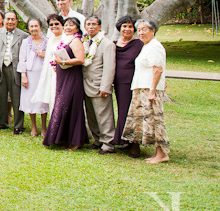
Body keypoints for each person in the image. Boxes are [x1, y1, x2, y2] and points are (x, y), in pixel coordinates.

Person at [123, 19, 170, 164]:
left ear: (153, 30)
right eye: (139, 30)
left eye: (144, 29)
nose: (141, 32)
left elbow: (158, 69)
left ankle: (162, 153)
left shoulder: (155, 46)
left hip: (149, 90)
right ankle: (158, 153)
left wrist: (152, 90)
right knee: (148, 120)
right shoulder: (147, 46)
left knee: (156, 120)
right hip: (142, 88)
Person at [43, 17, 89, 151]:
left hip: (72, 77)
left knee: (71, 106)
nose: (68, 27)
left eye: (72, 25)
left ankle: (76, 140)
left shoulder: (75, 41)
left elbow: (80, 59)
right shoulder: (66, 40)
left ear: (77, 28)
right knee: (63, 106)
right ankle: (65, 139)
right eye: (67, 25)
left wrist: (62, 63)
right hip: (62, 77)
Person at [82, 15, 117, 154]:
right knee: (91, 115)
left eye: (94, 24)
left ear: (100, 26)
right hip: (85, 84)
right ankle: (97, 140)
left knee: (104, 115)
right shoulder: (84, 41)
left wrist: (105, 87)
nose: (91, 27)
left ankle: (108, 143)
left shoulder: (106, 44)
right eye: (88, 24)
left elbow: (109, 68)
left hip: (99, 86)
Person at [0, 11, 29, 134]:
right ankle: (2, 123)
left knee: (16, 97)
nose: (10, 21)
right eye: (8, 19)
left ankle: (18, 125)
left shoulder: (23, 36)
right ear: (4, 20)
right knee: (0, 97)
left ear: (16, 21)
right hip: (0, 69)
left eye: (13, 19)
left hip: (15, 68)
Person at [112, 15, 144, 149]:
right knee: (123, 111)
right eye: (124, 26)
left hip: (134, 82)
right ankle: (124, 140)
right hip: (119, 83)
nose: (127, 29)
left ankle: (135, 143)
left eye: (130, 26)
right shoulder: (113, 44)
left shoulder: (139, 44)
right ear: (120, 28)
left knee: (134, 112)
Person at [16, 18, 49, 137]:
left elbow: (51, 58)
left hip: (43, 75)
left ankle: (44, 127)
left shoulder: (47, 41)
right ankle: (34, 127)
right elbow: (22, 60)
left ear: (40, 28)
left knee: (43, 101)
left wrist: (44, 54)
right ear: (28, 28)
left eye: (36, 26)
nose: (34, 29)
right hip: (30, 75)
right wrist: (23, 76)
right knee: (31, 100)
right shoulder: (26, 42)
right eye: (31, 26)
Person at [33, 15, 64, 110]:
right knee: (53, 97)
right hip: (52, 72)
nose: (54, 26)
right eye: (51, 24)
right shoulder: (51, 39)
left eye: (56, 24)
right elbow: (49, 57)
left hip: (64, 72)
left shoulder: (66, 38)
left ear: (62, 24)